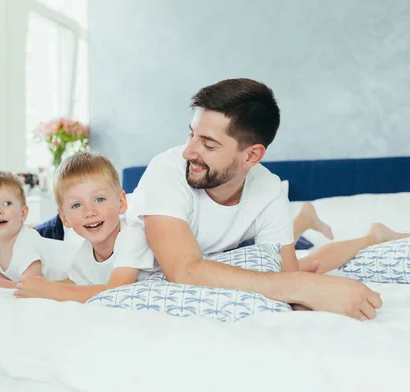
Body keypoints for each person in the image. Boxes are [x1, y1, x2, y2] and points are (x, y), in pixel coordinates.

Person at [126, 78, 383, 320]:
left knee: (307, 268)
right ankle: (304, 219)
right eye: (190, 134)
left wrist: (312, 291)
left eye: (208, 144)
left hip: (219, 259)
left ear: (251, 156)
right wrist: (301, 285)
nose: (188, 151)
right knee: (300, 277)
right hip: (180, 263)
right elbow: (183, 271)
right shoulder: (166, 170)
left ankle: (371, 237)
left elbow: (289, 279)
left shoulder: (269, 190)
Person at [14, 152, 157, 302]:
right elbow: (73, 284)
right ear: (64, 218)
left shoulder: (132, 236)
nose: (89, 212)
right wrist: (35, 286)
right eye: (77, 205)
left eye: (99, 199)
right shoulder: (84, 253)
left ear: (121, 203)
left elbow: (115, 291)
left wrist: (47, 290)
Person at [0, 171, 59, 288]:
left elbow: (32, 286)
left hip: (80, 273)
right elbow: (12, 276)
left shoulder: (27, 243)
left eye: (7, 203)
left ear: (23, 213)